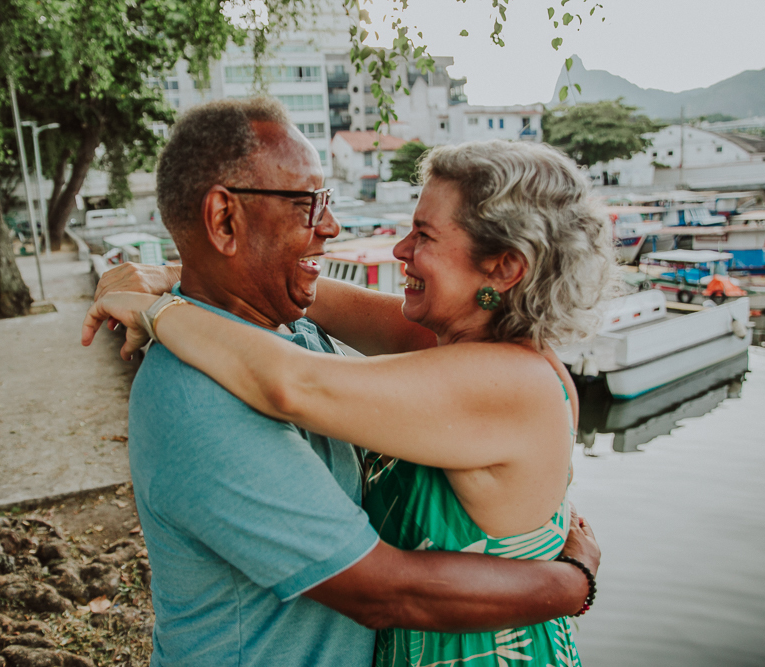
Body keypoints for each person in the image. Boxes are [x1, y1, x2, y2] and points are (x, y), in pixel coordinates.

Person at [83, 98, 602, 667]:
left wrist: (158, 305)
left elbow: (295, 379)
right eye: (310, 204)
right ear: (225, 219)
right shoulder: (199, 391)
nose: (334, 227)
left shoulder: (505, 375)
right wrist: (173, 276)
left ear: (503, 267)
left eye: (423, 235)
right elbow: (310, 316)